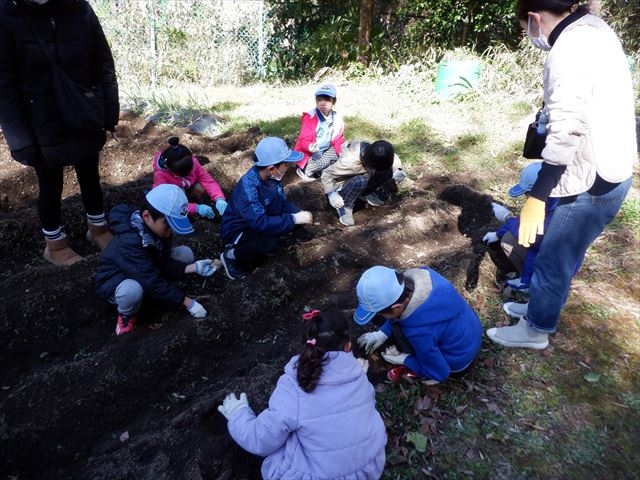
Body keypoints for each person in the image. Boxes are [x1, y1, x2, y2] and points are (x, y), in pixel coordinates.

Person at [487, 0, 636, 350]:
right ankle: (537, 307)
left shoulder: (568, 49)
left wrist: (537, 197)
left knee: (554, 256)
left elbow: (566, 128)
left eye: (526, 27)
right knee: (558, 252)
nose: (530, 34)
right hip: (611, 163)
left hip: (593, 179)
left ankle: (535, 330)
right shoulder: (596, 29)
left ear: (535, 19)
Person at [0, 0, 120, 265]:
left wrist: (109, 114)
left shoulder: (79, 8)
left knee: (90, 175)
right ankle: (54, 245)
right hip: (41, 121)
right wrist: (20, 140)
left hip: (83, 109)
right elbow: (4, 86)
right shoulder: (7, 14)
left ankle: (98, 229)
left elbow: (103, 63)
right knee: (50, 184)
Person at [217, 309, 386, 480]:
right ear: (348, 346)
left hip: (320, 476)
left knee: (278, 448)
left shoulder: (293, 387)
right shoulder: (359, 376)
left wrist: (238, 415)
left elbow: (261, 440)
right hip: (369, 469)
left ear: (306, 345)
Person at [95, 184, 218, 335]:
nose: (171, 230)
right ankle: (126, 314)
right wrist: (187, 302)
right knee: (132, 291)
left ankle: (159, 296)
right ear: (147, 216)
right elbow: (150, 280)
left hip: (146, 270)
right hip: (119, 280)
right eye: (168, 225)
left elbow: (163, 262)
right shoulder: (129, 242)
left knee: (185, 254)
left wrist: (194, 268)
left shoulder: (160, 231)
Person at [354, 265, 483, 383]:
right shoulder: (429, 277)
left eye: (381, 313)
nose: (381, 317)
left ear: (397, 307)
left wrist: (404, 359)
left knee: (401, 331)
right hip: (470, 336)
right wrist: (381, 333)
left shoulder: (420, 334)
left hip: (456, 363)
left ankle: (414, 369)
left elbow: (441, 373)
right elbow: (403, 312)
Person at [219, 137, 313, 280]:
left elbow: (280, 202)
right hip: (239, 230)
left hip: (260, 221)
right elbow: (260, 222)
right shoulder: (248, 189)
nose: (288, 167)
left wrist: (296, 212)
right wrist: (293, 219)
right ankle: (231, 255)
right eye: (286, 164)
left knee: (294, 225)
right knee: (270, 244)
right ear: (271, 168)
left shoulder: (273, 178)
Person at [321, 139, 406, 226]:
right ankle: (346, 207)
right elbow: (327, 174)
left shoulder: (378, 153)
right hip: (345, 183)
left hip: (366, 174)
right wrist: (331, 194)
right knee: (360, 181)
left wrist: (397, 170)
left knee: (386, 171)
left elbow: (393, 158)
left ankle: (365, 193)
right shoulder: (348, 162)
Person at [152, 136, 227, 221]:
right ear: (169, 169)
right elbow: (167, 202)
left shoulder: (194, 162)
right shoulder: (161, 176)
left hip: (188, 189)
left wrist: (219, 198)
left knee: (199, 187)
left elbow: (208, 181)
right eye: (179, 175)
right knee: (179, 195)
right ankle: (190, 214)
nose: (179, 177)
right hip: (174, 197)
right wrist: (195, 209)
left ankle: (206, 206)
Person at [294, 83, 345, 182]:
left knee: (337, 155)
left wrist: (340, 153)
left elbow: (338, 139)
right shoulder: (310, 117)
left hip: (324, 150)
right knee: (325, 161)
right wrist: (310, 146)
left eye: (327, 99)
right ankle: (305, 170)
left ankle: (319, 168)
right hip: (309, 153)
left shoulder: (336, 118)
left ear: (334, 101)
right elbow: (304, 140)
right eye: (319, 99)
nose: (322, 103)